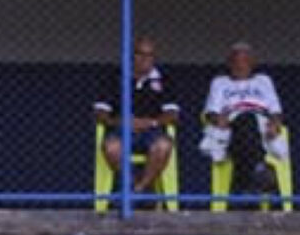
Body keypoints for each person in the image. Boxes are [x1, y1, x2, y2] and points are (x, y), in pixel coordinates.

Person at [201, 42, 287, 199]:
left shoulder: (263, 81)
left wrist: (275, 122)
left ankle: (244, 179)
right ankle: (259, 169)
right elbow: (210, 112)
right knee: (245, 121)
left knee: (248, 121)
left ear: (253, 63)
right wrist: (217, 119)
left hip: (261, 125)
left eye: (245, 61)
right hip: (231, 123)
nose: (240, 65)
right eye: (236, 61)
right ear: (229, 63)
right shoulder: (220, 82)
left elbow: (276, 111)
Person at [98, 35, 180, 193]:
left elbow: (173, 114)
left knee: (163, 146)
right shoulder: (114, 77)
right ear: (131, 56)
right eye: (140, 54)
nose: (144, 59)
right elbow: (100, 112)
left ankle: (139, 189)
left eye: (149, 55)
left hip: (152, 130)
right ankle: (130, 183)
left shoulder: (164, 79)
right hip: (121, 130)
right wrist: (119, 122)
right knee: (111, 147)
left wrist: (151, 122)